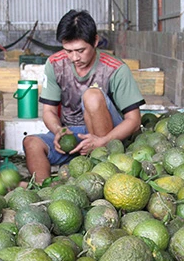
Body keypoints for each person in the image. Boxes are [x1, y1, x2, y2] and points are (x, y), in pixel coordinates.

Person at [23, 10, 145, 181]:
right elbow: (48, 112)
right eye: (68, 51)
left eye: (80, 50)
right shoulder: (55, 64)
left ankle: (103, 169)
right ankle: (45, 192)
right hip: (73, 135)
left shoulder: (115, 69)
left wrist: (102, 141)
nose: (74, 57)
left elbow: (134, 121)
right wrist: (59, 130)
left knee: (92, 96)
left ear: (95, 41)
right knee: (32, 143)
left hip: (108, 135)